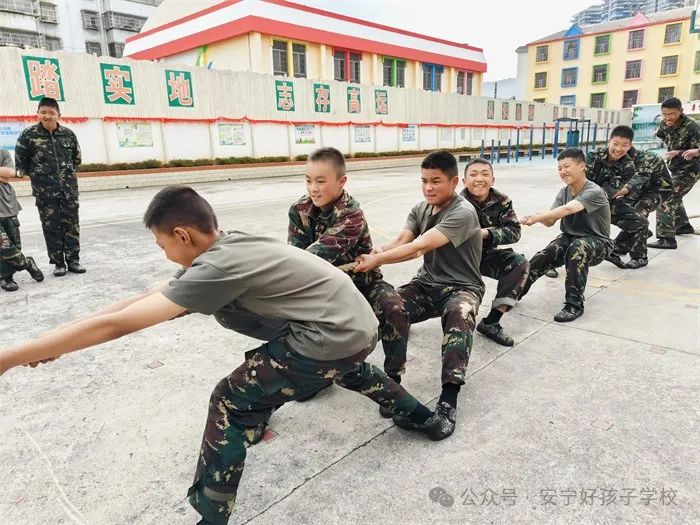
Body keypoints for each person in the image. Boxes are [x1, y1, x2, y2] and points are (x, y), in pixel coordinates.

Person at [0, 185, 445, 525]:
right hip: (355, 329)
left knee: (230, 402)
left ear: (182, 235)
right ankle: (425, 418)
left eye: (163, 245)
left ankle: (211, 518)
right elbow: (142, 299)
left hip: (327, 338)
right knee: (347, 368)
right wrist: (54, 340)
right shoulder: (229, 244)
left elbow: (121, 325)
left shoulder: (217, 267)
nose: (165, 254)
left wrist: (9, 358)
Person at [353, 150, 484, 437]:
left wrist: (377, 261)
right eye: (424, 181)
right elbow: (403, 239)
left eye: (436, 181)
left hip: (462, 288)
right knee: (391, 307)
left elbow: (419, 247)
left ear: (454, 182)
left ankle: (448, 403)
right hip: (426, 284)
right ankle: (393, 383)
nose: (429, 188)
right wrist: (375, 251)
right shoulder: (421, 208)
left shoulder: (463, 212)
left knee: (459, 315)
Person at [288, 147, 408, 407]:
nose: (313, 189)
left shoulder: (351, 214)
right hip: (325, 287)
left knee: (394, 308)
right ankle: (317, 376)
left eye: (321, 181)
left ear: (341, 181)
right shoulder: (299, 210)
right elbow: (296, 255)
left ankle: (393, 381)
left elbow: (314, 257)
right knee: (297, 323)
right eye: (308, 180)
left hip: (363, 283)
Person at [519, 148, 613, 322]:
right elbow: (550, 221)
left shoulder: (594, 191)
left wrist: (538, 218)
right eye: (560, 168)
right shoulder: (564, 192)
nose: (563, 171)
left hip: (598, 242)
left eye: (567, 166)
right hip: (569, 238)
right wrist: (538, 217)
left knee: (577, 249)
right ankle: (515, 292)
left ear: (582, 166)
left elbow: (569, 209)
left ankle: (574, 304)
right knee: (546, 254)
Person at [460, 159, 528, 347]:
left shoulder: (502, 201)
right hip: (458, 259)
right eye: (473, 174)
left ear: (493, 179)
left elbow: (514, 231)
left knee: (519, 263)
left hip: (485, 255)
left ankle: (491, 322)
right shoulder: (455, 203)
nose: (479, 179)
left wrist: (486, 234)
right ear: (464, 181)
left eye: (485, 174)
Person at [15, 97, 85, 276]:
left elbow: (76, 159)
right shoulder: (29, 135)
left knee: (72, 226)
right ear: (37, 114)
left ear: (58, 115)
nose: (47, 116)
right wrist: (40, 177)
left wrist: (64, 176)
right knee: (51, 228)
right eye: (43, 112)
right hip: (45, 193)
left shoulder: (68, 134)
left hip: (68, 191)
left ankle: (73, 261)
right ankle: (58, 263)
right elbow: (21, 163)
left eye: (51, 113)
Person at [585, 126, 647, 269]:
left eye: (624, 145)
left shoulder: (628, 165)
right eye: (616, 143)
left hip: (605, 202)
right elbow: (582, 183)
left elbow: (610, 190)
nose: (619, 149)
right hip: (582, 201)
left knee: (640, 222)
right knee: (574, 233)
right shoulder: (593, 156)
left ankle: (614, 251)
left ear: (630, 146)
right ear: (609, 141)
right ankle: (548, 262)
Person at [648, 97, 700, 249]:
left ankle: (667, 239)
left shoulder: (692, 126)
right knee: (675, 196)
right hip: (676, 167)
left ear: (681, 112)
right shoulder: (664, 124)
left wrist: (692, 151)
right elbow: (663, 136)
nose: (668, 118)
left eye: (672, 114)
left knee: (666, 198)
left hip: (692, 169)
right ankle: (683, 226)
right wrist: (674, 152)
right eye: (664, 114)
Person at [0, 147, 44, 291]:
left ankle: (8, 273)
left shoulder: (2, 152)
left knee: (13, 244)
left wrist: (4, 175)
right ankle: (17, 269)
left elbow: (9, 173)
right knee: (3, 245)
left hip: (6, 205)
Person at [623, 147, 674, 268]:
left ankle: (639, 257)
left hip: (660, 190)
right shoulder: (622, 160)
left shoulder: (648, 158)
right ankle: (638, 235)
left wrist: (621, 191)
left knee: (638, 213)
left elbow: (639, 181)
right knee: (622, 209)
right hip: (643, 190)